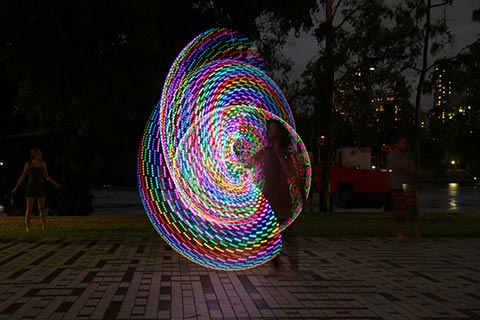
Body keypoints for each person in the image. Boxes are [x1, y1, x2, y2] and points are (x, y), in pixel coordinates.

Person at [252, 120, 304, 276]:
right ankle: (277, 267)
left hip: (281, 197)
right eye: (269, 128)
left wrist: (279, 153)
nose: (271, 130)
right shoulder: (266, 151)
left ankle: (294, 267)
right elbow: (250, 163)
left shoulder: (286, 152)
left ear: (280, 132)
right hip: (268, 197)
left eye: (274, 128)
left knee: (288, 234)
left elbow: (290, 173)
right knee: (268, 235)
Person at [12, 148, 61, 232]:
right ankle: (27, 228)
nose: (41, 155)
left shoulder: (43, 164)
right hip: (31, 187)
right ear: (35, 154)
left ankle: (44, 227)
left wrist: (54, 183)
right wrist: (16, 187)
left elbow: (46, 176)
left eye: (41, 153)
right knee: (29, 209)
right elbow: (22, 176)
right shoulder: (29, 164)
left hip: (41, 187)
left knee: (41, 208)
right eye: (39, 153)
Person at [386, 136, 421, 241]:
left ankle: (416, 233)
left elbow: (412, 167)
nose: (404, 145)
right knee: (400, 209)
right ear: (397, 143)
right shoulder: (392, 156)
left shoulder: (408, 155)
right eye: (402, 142)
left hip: (409, 185)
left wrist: (413, 171)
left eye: (405, 142)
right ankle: (399, 233)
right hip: (397, 185)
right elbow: (403, 168)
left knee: (412, 209)